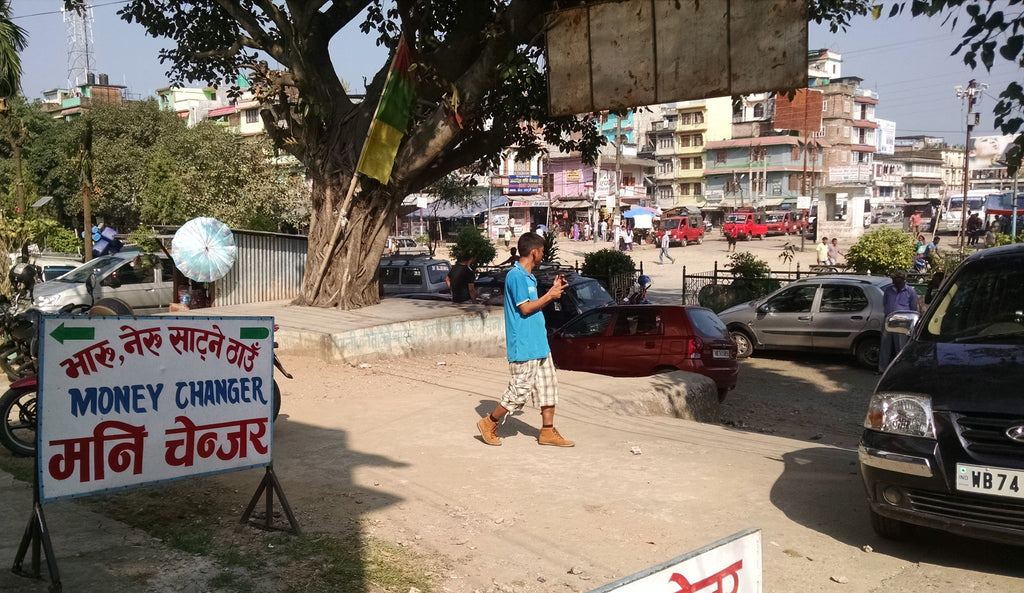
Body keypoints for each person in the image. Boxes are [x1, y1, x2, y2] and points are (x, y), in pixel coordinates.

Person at [476, 232, 574, 447]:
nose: (542, 255)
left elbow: (535, 303)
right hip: (524, 344)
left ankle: (547, 431)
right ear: (534, 252)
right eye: (541, 252)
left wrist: (552, 291)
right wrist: (550, 296)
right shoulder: (516, 276)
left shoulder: (529, 277)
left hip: (539, 343)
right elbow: (526, 308)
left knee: (548, 387)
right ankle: (489, 422)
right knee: (519, 390)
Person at [878, 269, 919, 374]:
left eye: (898, 280)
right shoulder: (888, 290)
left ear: (903, 280)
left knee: (900, 346)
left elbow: (913, 308)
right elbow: (885, 303)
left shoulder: (910, 291)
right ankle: (882, 370)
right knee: (885, 345)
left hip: (902, 322)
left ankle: (899, 370)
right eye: (894, 279)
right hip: (889, 319)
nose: (895, 282)